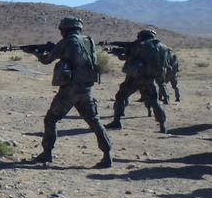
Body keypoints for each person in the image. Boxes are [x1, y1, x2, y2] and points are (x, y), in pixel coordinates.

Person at [29, 17, 112, 168]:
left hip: (70, 90)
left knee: (51, 119)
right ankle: (107, 155)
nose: (61, 32)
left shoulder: (68, 41)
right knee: (94, 121)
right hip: (87, 89)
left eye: (62, 29)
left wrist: (35, 52)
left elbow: (47, 59)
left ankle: (46, 153)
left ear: (66, 29)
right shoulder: (89, 40)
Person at [107, 29, 169, 134]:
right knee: (154, 102)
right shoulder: (163, 47)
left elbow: (128, 57)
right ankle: (162, 125)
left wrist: (118, 54)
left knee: (121, 96)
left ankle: (116, 121)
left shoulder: (141, 45)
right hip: (149, 78)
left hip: (135, 77)